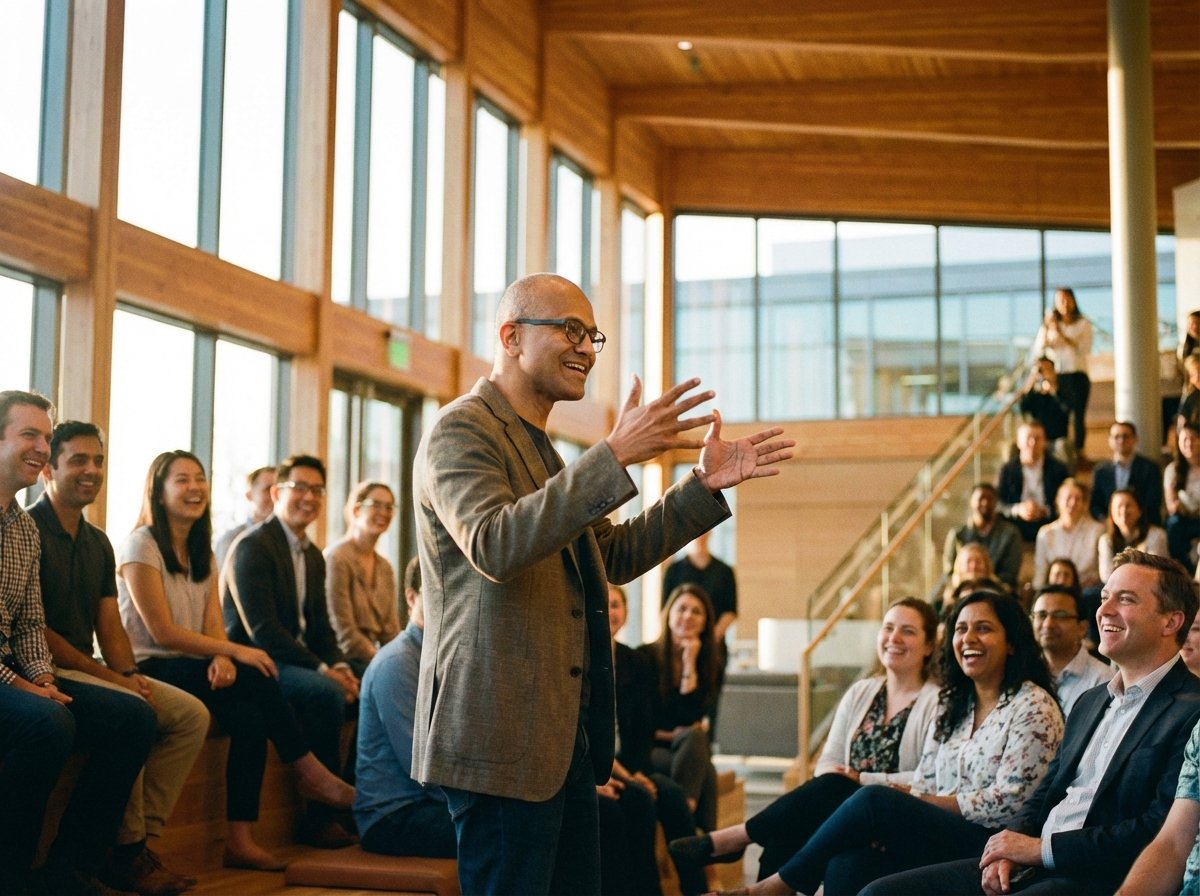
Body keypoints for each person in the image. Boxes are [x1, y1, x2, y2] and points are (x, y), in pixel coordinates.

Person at [411, 272, 794, 896]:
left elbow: (607, 556)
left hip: (563, 741)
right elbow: (493, 543)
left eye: (593, 334)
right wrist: (612, 456)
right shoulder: (463, 429)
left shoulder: (544, 450)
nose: (586, 347)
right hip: (501, 736)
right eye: (569, 329)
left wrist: (699, 491)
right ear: (511, 336)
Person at [864, 550, 1200, 896]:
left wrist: (1040, 850)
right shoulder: (1090, 701)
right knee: (877, 890)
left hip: (1098, 876)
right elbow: (1044, 796)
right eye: (1103, 598)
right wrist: (1010, 851)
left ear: (1171, 622)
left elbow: (1158, 829)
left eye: (1125, 599)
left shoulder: (1191, 709)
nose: (1104, 610)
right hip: (1035, 864)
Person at [726, 591, 1063, 896]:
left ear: (1012, 642)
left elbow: (1010, 802)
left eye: (984, 628)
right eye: (960, 629)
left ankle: (776, 886)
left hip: (993, 845)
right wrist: (871, 783)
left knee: (873, 800)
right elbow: (925, 779)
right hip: (938, 832)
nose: (969, 638)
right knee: (846, 862)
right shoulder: (954, 705)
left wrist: (909, 798)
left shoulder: (1033, 705)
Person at [118, 450, 355, 872]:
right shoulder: (142, 544)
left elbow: (213, 625)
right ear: (157, 489)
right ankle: (308, 770)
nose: (195, 488)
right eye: (182, 480)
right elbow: (162, 632)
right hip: (152, 665)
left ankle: (240, 841)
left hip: (194, 663)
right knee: (259, 668)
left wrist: (223, 656)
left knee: (249, 716)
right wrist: (232, 652)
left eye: (200, 478)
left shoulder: (200, 550)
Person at [30, 420, 210, 895]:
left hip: (90, 667)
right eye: (78, 461)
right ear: (49, 468)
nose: (91, 471)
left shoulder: (97, 542)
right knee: (130, 713)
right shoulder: (28, 528)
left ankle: (136, 846)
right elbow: (39, 633)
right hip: (44, 669)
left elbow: (109, 624)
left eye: (99, 461)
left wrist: (129, 672)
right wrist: (111, 679)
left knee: (190, 714)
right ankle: (116, 852)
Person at [0, 390, 157, 896]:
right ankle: (12, 877)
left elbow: (28, 623)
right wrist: (23, 686)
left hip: (16, 670)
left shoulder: (23, 529)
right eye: (30, 435)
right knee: (48, 724)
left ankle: (70, 869)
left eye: (46, 438)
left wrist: (41, 676)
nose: (41, 447)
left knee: (132, 717)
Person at [669, 598, 940, 884]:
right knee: (782, 841)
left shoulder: (938, 702)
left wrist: (862, 779)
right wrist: (846, 781)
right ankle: (739, 843)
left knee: (828, 796)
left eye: (908, 631)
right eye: (888, 628)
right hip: (843, 811)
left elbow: (928, 780)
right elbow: (827, 762)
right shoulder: (862, 691)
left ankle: (736, 838)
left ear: (929, 645)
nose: (894, 638)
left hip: (894, 815)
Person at [223, 454, 359, 848]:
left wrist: (337, 664)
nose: (309, 497)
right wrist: (322, 671)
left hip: (297, 661)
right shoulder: (253, 546)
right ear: (277, 492)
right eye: (299, 487)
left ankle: (351, 806)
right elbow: (263, 632)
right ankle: (319, 819)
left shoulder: (313, 556)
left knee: (364, 691)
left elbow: (320, 628)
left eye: (316, 490)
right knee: (325, 693)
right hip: (258, 664)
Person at [609, 583, 707, 896]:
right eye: (604, 604)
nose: (609, 612)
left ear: (625, 613)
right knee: (642, 801)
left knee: (673, 795)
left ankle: (699, 888)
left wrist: (636, 770)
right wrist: (627, 775)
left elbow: (643, 726)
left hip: (635, 761)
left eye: (616, 605)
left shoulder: (632, 661)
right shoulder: (577, 658)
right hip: (604, 768)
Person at [354, 556, 455, 859]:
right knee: (512, 833)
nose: (446, 594)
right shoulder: (397, 662)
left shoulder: (447, 656)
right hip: (394, 816)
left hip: (430, 805)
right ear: (411, 597)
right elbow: (421, 766)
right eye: (434, 586)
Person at [640, 585, 722, 833]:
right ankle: (700, 846)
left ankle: (684, 816)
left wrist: (689, 664)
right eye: (682, 609)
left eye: (696, 611)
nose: (688, 616)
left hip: (685, 747)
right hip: (650, 747)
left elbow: (691, 716)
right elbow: (639, 722)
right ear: (669, 614)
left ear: (705, 621)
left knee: (696, 741)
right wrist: (672, 735)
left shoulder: (708, 663)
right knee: (705, 768)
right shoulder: (644, 657)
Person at [662, 530, 737, 741]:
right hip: (676, 648)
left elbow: (730, 611)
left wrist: (706, 639)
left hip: (713, 648)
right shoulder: (674, 570)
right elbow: (666, 610)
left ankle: (705, 749)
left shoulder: (724, 571)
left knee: (709, 704)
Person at [324, 481, 401, 678]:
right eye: (375, 505)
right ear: (357, 509)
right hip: (346, 657)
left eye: (389, 507)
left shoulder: (385, 567)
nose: (384, 512)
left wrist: (398, 657)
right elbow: (342, 629)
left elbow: (391, 630)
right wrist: (382, 660)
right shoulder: (337, 558)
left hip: (377, 657)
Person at [1029, 585, 1113, 717]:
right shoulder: (1023, 672)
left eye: (1060, 616)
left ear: (1082, 628)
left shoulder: (1102, 680)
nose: (1048, 624)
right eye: (1041, 615)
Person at [1031, 287, 1093, 457]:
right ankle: (1061, 450)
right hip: (1057, 375)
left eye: (1067, 299)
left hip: (1077, 375)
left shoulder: (1083, 324)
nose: (1064, 304)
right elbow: (1038, 349)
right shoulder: (1049, 325)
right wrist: (1048, 327)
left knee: (1078, 415)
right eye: (1060, 300)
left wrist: (1061, 334)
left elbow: (1084, 350)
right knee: (1060, 414)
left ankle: (1080, 451)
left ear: (1073, 301)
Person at [997, 420, 1069, 542]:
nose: (1032, 443)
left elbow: (1066, 499)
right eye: (1028, 438)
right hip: (1016, 523)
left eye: (1037, 439)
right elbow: (999, 503)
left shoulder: (1058, 469)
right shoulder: (1007, 470)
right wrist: (1018, 509)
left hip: (1049, 521)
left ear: (1045, 442)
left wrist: (1044, 511)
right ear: (1019, 442)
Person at [944, 482, 1023, 591]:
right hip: (962, 588)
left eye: (990, 499)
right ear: (971, 502)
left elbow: (1010, 573)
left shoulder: (1011, 533)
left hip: (998, 589)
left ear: (996, 503)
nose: (985, 503)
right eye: (980, 499)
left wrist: (986, 583)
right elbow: (949, 571)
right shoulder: (957, 534)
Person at [1090, 421, 1163, 527]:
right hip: (1110, 528)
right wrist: (1107, 521)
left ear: (1135, 439)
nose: (1121, 440)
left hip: (1143, 527)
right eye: (1116, 437)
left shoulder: (1150, 468)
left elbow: (1153, 503)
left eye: (1126, 436)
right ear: (1110, 440)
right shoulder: (1100, 471)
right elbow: (1095, 505)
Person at [1033, 478, 1103, 589]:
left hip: (1086, 592)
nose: (1073, 503)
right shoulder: (1046, 533)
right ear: (1058, 501)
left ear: (1084, 503)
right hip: (1055, 591)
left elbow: (1102, 575)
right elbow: (1040, 574)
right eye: (1068, 498)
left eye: (1077, 499)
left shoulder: (1097, 531)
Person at [214, 465, 276, 571]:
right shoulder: (231, 540)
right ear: (249, 495)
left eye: (279, 490)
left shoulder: (292, 541)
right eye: (267, 490)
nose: (275, 496)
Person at [1099, 488, 1168, 582]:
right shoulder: (1106, 540)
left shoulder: (1157, 535)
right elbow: (1106, 576)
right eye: (1119, 506)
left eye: (1128, 506)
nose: (1123, 511)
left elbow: (1153, 571)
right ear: (1111, 513)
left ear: (1140, 511)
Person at [1018, 357, 1072, 465]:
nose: (1043, 373)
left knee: (1062, 447)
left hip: (1056, 439)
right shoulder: (1034, 395)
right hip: (1035, 439)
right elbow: (1022, 407)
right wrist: (1031, 381)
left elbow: (1067, 408)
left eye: (1047, 369)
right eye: (1040, 370)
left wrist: (1053, 388)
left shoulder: (1062, 391)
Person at [937, 543, 1006, 619]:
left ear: (987, 565)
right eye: (969, 561)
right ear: (960, 566)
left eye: (978, 562)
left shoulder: (1000, 593)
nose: (974, 566)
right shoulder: (950, 596)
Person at [1166, 423, 1200, 574]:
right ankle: (1183, 571)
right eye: (1184, 439)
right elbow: (1171, 505)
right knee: (1173, 523)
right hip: (1184, 518)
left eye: (1193, 439)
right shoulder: (1173, 469)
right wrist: (1180, 506)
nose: (1189, 443)